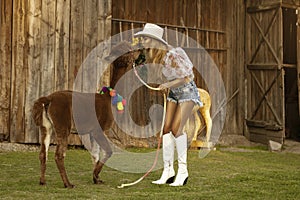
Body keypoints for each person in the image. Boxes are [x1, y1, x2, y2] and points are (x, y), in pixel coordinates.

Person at [134, 23, 203, 186]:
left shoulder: (173, 53)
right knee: (166, 130)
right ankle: (168, 170)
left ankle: (183, 172)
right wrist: (166, 86)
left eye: (145, 38)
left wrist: (167, 85)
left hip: (187, 92)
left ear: (153, 40)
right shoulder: (155, 55)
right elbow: (169, 77)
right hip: (174, 94)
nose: (142, 41)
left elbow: (186, 78)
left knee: (177, 129)